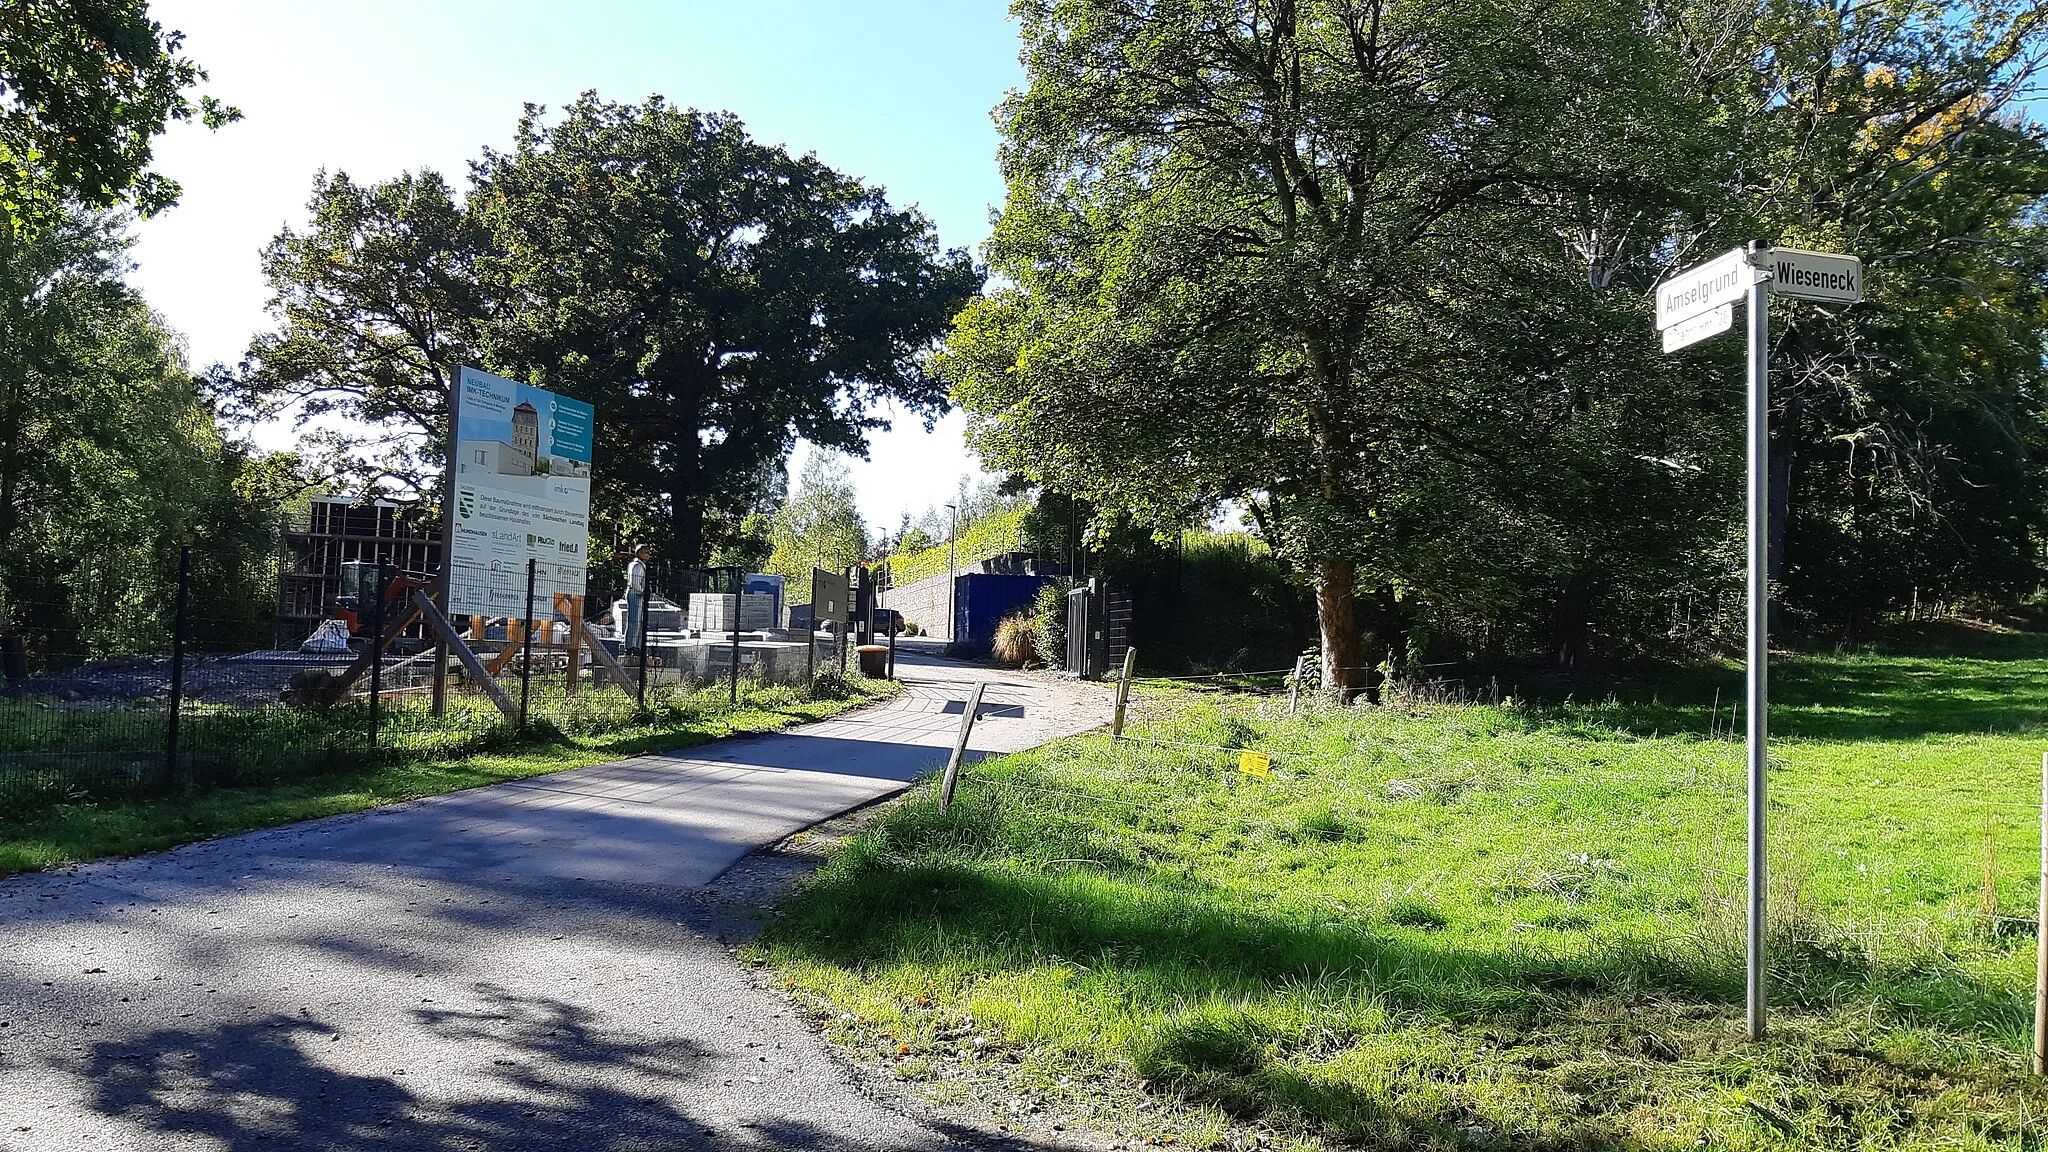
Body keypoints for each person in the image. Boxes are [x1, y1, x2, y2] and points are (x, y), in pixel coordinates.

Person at [624, 544, 651, 652]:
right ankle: (631, 646)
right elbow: (635, 582)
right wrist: (642, 591)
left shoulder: (640, 565)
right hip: (635, 594)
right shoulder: (637, 566)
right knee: (634, 621)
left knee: (638, 622)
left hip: (637, 594)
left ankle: (636, 645)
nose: (648, 555)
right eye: (646, 552)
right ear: (639, 553)